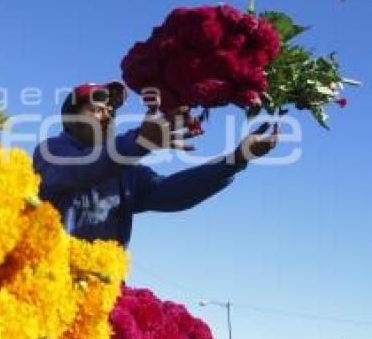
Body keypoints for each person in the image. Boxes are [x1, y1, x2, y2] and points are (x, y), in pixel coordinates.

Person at [32, 82, 279, 247]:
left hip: (102, 289)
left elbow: (171, 192)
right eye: (97, 109)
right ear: (71, 120)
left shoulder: (126, 172)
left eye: (112, 111)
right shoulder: (51, 151)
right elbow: (82, 169)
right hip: (50, 283)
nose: (108, 115)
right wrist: (140, 142)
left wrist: (236, 159)